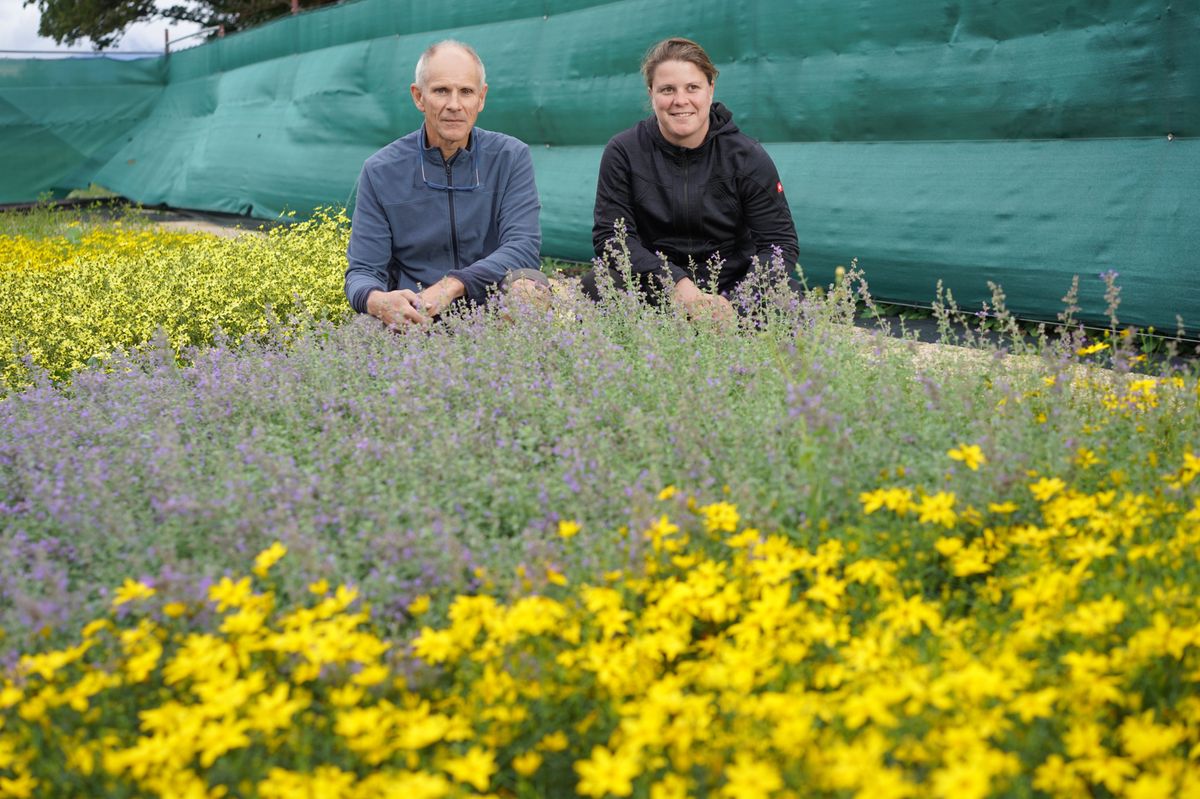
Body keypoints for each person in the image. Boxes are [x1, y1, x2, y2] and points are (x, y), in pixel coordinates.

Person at [585, 37, 800, 320]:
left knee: (788, 300)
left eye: (692, 88)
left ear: (711, 89)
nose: (680, 101)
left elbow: (780, 244)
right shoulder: (623, 152)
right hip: (655, 286)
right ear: (651, 92)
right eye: (667, 90)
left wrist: (736, 303)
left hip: (732, 290)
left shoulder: (747, 156)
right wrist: (675, 282)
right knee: (598, 283)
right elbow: (611, 239)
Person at [345, 40, 547, 328]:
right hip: (418, 310)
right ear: (419, 97)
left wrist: (452, 285)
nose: (454, 105)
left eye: (466, 91)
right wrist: (377, 300)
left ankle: (515, 369)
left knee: (528, 291)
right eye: (441, 91)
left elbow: (523, 246)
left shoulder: (510, 157)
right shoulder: (380, 170)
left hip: (492, 305)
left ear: (481, 98)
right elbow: (363, 271)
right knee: (362, 331)